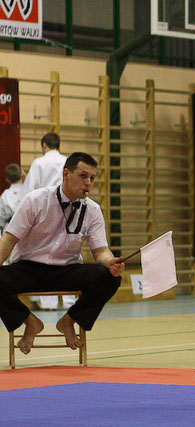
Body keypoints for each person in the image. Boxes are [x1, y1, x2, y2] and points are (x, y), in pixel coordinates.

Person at [0, 152, 123, 354]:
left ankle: (69, 320)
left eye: (92, 178)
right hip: (29, 270)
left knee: (110, 277)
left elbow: (101, 251)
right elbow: (9, 239)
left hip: (67, 270)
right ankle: (30, 321)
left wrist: (111, 262)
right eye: (83, 176)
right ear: (66, 174)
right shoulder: (35, 200)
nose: (88, 183)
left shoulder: (93, 210)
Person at [22, 132, 71, 310]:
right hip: (66, 210)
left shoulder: (39, 163)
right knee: (66, 254)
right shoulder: (67, 162)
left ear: (44, 145)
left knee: (44, 256)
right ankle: (69, 300)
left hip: (43, 211)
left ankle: (48, 302)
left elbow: (29, 190)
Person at [0, 163, 25, 233]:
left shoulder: (5, 195)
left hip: (10, 229)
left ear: (7, 179)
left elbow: (1, 218)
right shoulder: (28, 191)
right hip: (26, 228)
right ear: (22, 175)